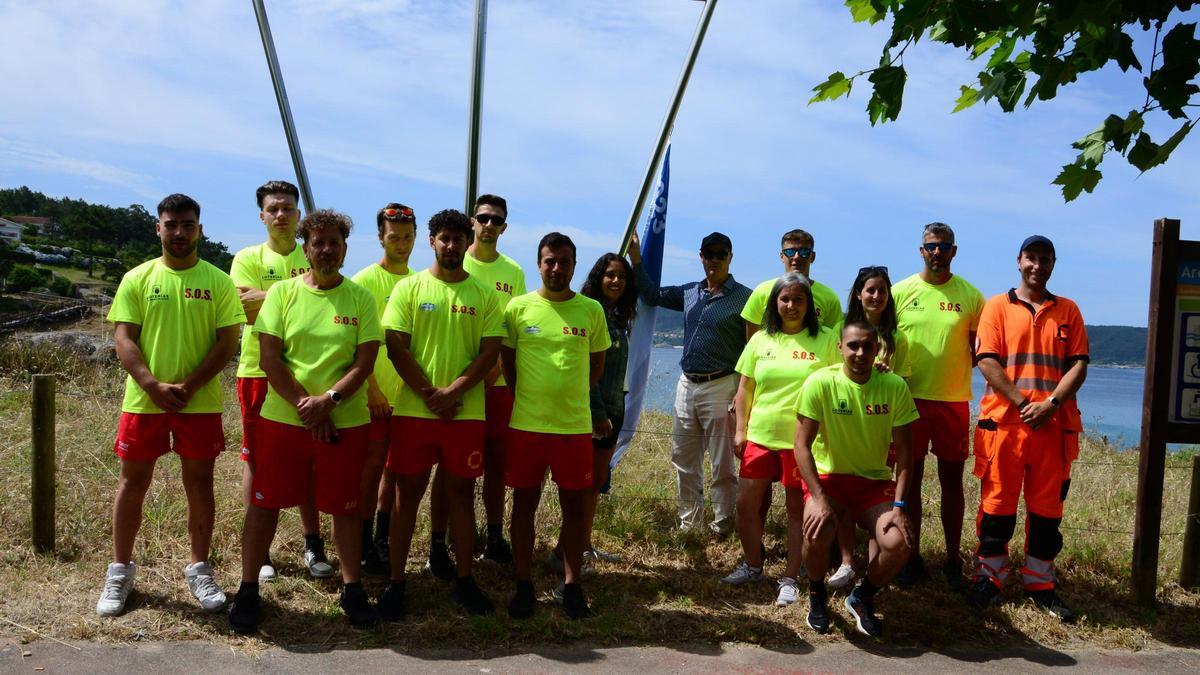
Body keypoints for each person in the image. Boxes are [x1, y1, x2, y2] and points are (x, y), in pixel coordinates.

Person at [228, 209, 381, 633]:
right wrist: (306, 406)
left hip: (344, 421)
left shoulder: (361, 298)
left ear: (345, 248)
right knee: (264, 504)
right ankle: (247, 590)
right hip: (284, 419)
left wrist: (328, 401)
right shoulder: (282, 295)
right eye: (319, 242)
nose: (327, 249)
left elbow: (364, 361)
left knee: (345, 507)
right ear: (306, 248)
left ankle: (352, 590)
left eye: (335, 242)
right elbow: (270, 358)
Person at [98, 193, 245, 617]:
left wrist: (190, 384)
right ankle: (120, 570)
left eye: (187, 225)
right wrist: (151, 384)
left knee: (199, 484)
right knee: (132, 482)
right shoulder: (138, 278)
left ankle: (200, 568)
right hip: (144, 402)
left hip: (199, 404)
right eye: (171, 224)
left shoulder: (217, 281)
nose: (179, 233)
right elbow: (124, 337)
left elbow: (228, 341)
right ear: (158, 228)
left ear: (199, 229)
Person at [375, 209, 504, 618]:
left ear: (469, 242)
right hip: (415, 411)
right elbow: (395, 344)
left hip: (465, 414)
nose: (451, 245)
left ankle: (465, 580)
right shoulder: (410, 288)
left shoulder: (483, 295)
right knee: (405, 494)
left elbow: (490, 352)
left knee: (462, 495)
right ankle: (397, 581)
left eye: (458, 238)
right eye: (444, 238)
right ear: (431, 241)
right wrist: (430, 393)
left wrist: (453, 392)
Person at [969, 235, 1088, 623]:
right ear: (1018, 261)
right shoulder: (997, 307)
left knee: (1047, 512)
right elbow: (986, 360)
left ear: (1054, 264)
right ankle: (990, 577)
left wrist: (1051, 404)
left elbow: (1079, 365)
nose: (1037, 265)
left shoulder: (1068, 310)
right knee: (996, 509)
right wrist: (1023, 404)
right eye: (1031, 258)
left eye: (1044, 259)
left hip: (1054, 429)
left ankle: (1040, 583)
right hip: (1005, 426)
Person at [502, 232, 610, 619]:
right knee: (524, 506)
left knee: (576, 510)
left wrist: (570, 397)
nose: (557, 268)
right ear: (539, 263)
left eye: (564, 261)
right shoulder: (518, 308)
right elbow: (507, 363)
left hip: (573, 429)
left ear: (574, 265)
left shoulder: (591, 311)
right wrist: (529, 397)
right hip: (527, 427)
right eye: (550, 261)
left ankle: (571, 586)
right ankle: (523, 585)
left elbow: (597, 366)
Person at [229, 180, 329, 582]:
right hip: (258, 370)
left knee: (310, 460)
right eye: (273, 209)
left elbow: (325, 300)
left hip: (310, 373)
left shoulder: (312, 254)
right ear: (262, 216)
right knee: (256, 458)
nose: (281, 215)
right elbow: (243, 303)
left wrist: (269, 296)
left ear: (298, 214)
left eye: (288, 208)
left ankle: (312, 542)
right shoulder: (248, 256)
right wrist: (300, 298)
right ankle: (263, 551)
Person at [721, 273, 839, 610]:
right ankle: (753, 565)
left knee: (795, 511)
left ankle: (790, 577)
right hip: (760, 434)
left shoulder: (827, 340)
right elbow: (745, 388)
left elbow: (840, 382)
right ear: (775, 303)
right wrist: (741, 429)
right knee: (746, 504)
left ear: (809, 306)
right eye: (785, 299)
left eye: (798, 300)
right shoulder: (761, 340)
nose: (791, 306)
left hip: (801, 441)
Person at [794, 321, 918, 637]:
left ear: (877, 348)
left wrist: (901, 505)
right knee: (816, 530)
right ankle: (816, 592)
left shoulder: (893, 386)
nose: (860, 353)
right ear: (840, 348)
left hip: (873, 483)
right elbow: (801, 446)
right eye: (853, 346)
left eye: (867, 346)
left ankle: (861, 596)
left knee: (899, 542)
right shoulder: (820, 382)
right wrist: (818, 498)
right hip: (829, 480)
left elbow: (906, 452)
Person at [423, 194, 526, 576]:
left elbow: (509, 328)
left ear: (504, 227)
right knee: (448, 469)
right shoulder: (453, 258)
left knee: (496, 465)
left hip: (496, 383)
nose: (488, 224)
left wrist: (495, 373)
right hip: (453, 385)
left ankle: (495, 536)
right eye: (482, 217)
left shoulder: (512, 271)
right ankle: (440, 540)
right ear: (471, 222)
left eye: (496, 220)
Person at [628, 229, 751, 537]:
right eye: (709, 254)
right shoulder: (689, 292)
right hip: (687, 383)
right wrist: (637, 260)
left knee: (722, 463)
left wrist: (742, 392)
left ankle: (722, 524)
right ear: (701, 257)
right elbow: (651, 295)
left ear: (730, 258)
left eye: (721, 254)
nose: (715, 260)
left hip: (721, 384)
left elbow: (753, 348)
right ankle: (690, 524)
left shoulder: (744, 298)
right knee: (684, 457)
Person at [891, 222, 985, 588]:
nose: (937, 252)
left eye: (944, 246)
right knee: (908, 481)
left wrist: (955, 366)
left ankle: (951, 558)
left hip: (952, 402)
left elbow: (982, 350)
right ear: (921, 250)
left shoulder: (972, 297)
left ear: (954, 251)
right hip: (908, 400)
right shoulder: (900, 292)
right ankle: (910, 557)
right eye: (931, 246)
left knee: (952, 483)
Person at [828, 265, 912, 590]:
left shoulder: (897, 337)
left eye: (882, 291)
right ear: (859, 294)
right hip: (846, 418)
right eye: (870, 290)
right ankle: (847, 562)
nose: (876, 296)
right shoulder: (841, 328)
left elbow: (903, 382)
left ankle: (874, 569)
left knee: (877, 489)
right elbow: (831, 371)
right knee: (846, 483)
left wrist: (884, 375)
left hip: (882, 421)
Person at [350, 203, 416, 575]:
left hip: (407, 398)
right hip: (372, 397)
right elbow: (355, 342)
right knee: (370, 470)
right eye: (394, 237)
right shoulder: (363, 282)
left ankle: (382, 537)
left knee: (395, 473)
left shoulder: (419, 281)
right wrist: (372, 389)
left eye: (407, 238)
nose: (401, 244)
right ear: (380, 238)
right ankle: (359, 541)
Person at [570, 252, 638, 571]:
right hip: (593, 414)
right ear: (598, 279)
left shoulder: (618, 317)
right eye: (609, 275)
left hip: (614, 410)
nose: (616, 281)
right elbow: (588, 369)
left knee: (595, 482)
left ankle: (583, 544)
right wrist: (597, 412)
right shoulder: (588, 313)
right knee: (584, 484)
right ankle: (571, 550)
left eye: (622, 276)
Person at [742, 229, 842, 338]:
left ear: (812, 256)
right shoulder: (762, 291)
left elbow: (834, 339)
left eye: (804, 252)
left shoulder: (829, 297)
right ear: (782, 256)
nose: (796, 257)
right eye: (790, 252)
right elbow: (752, 340)